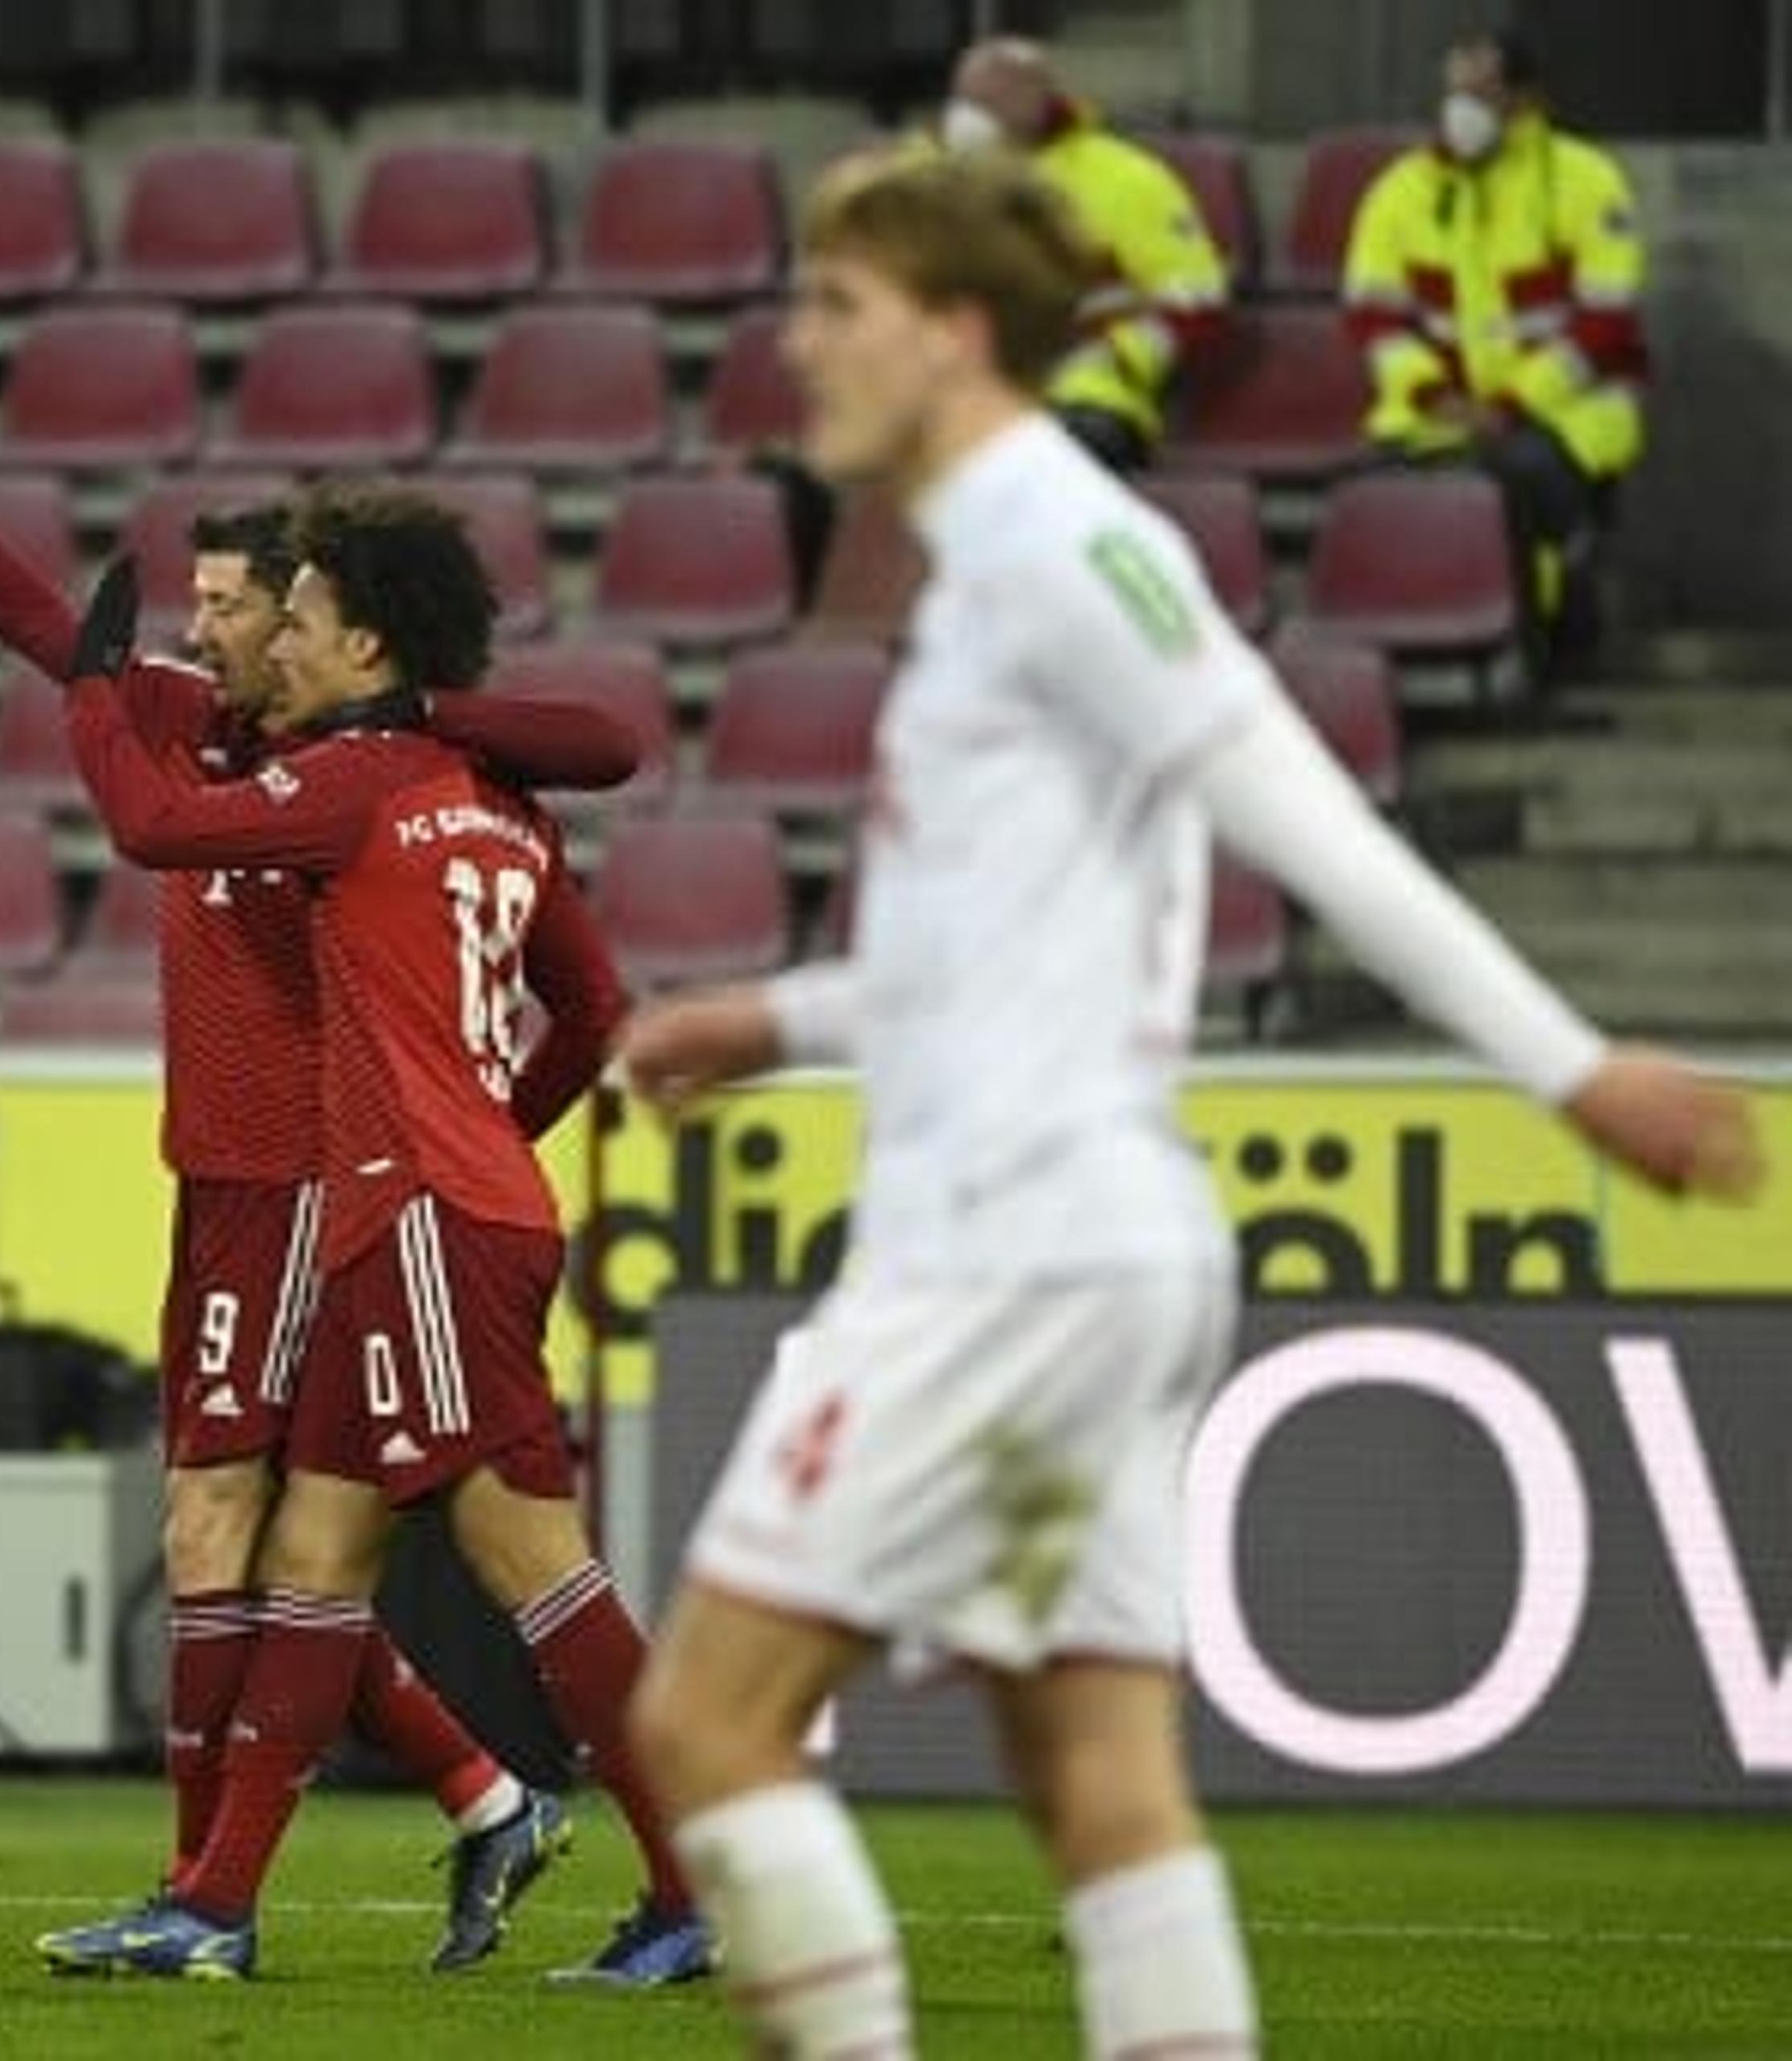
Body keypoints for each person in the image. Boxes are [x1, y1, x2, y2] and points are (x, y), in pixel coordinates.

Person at [615, 149, 1765, 2059]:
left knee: (703, 1724)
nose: (794, 342)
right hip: (1094, 1245)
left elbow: (1294, 807)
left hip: (1009, 1250)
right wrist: (778, 1020)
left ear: (955, 334)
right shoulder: (993, 558)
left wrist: (1568, 1066)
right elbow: (982, 950)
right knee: (1093, 1777)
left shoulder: (1059, 546)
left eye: (837, 306)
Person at [0, 452, 637, 1971]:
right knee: (293, 1542)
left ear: (307, 626)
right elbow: (40, 621)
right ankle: (461, 1808)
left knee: (227, 1520)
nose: (200, 630)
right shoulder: (197, 729)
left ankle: (208, 1886)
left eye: (229, 605)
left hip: (306, 1181)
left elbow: (591, 776)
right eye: (193, 602)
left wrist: (475, 1129)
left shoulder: (362, 775)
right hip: (222, 1178)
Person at [32, 484, 709, 1984]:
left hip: (419, 1219)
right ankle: (213, 1907)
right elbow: (591, 1008)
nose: (282, 631)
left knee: (537, 1565)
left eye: (306, 611)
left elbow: (151, 822)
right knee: (318, 1553)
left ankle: (696, 1884)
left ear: (364, 639)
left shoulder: (355, 781)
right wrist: (489, 1139)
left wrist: (92, 694)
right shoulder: (496, 797)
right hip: (448, 1209)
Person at [1343, 30, 1645, 663]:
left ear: (1526, 99)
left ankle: (1557, 631)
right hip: (1440, 406)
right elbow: (1373, 317)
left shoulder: (1586, 180)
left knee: (1522, 469)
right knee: (1378, 483)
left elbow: (1606, 321)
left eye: (1481, 92)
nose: (1461, 108)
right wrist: (1430, 392)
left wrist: (1510, 404)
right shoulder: (1402, 191)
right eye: (1453, 91)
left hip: (1575, 405)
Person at [938, 33, 1229, 471]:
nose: (963, 116)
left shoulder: (1127, 180)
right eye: (962, 98)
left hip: (1087, 399)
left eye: (986, 100)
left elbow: (1198, 300)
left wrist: (1120, 361)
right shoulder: (932, 180)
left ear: (1035, 99)